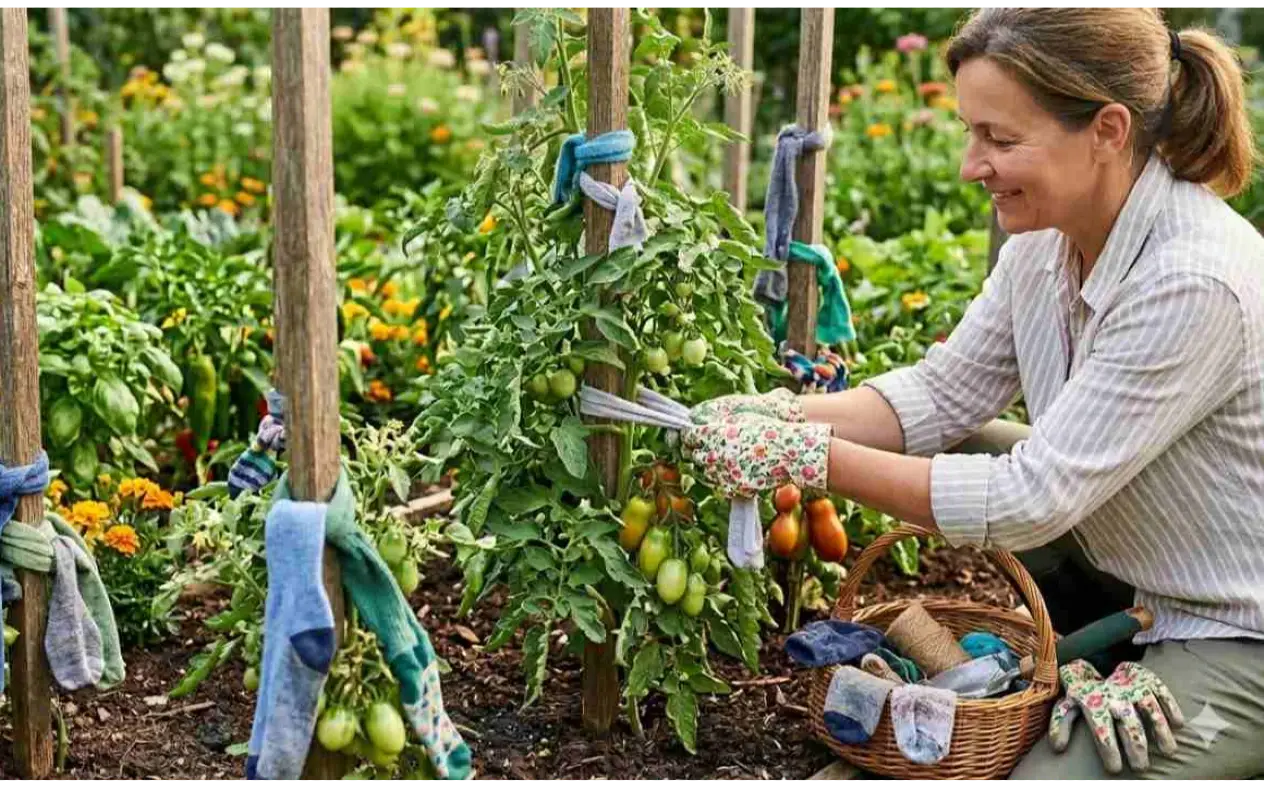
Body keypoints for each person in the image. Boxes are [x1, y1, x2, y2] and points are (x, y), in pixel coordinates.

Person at [682, 7, 1264, 783]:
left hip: (1238, 628)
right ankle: (1095, 642)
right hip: (1147, 574)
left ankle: (1187, 698)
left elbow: (1030, 500)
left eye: (1000, 138)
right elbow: (938, 396)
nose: (970, 164)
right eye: (970, 132)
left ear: (1108, 131)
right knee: (973, 442)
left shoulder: (1192, 279)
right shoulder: (1046, 243)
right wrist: (775, 411)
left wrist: (807, 454)